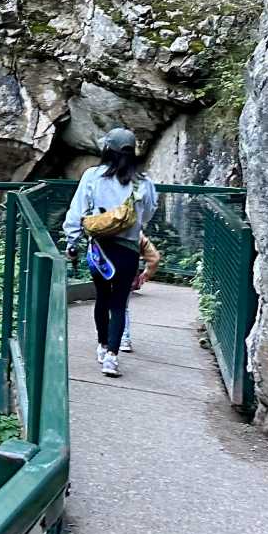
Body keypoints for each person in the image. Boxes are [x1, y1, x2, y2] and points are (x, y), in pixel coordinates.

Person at [62, 128, 159, 377]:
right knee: (119, 303)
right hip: (127, 251)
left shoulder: (93, 176)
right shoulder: (143, 181)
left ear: (108, 149)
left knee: (102, 298)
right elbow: (147, 214)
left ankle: (102, 345)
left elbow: (76, 212)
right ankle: (112, 358)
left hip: (99, 251)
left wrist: (72, 243)